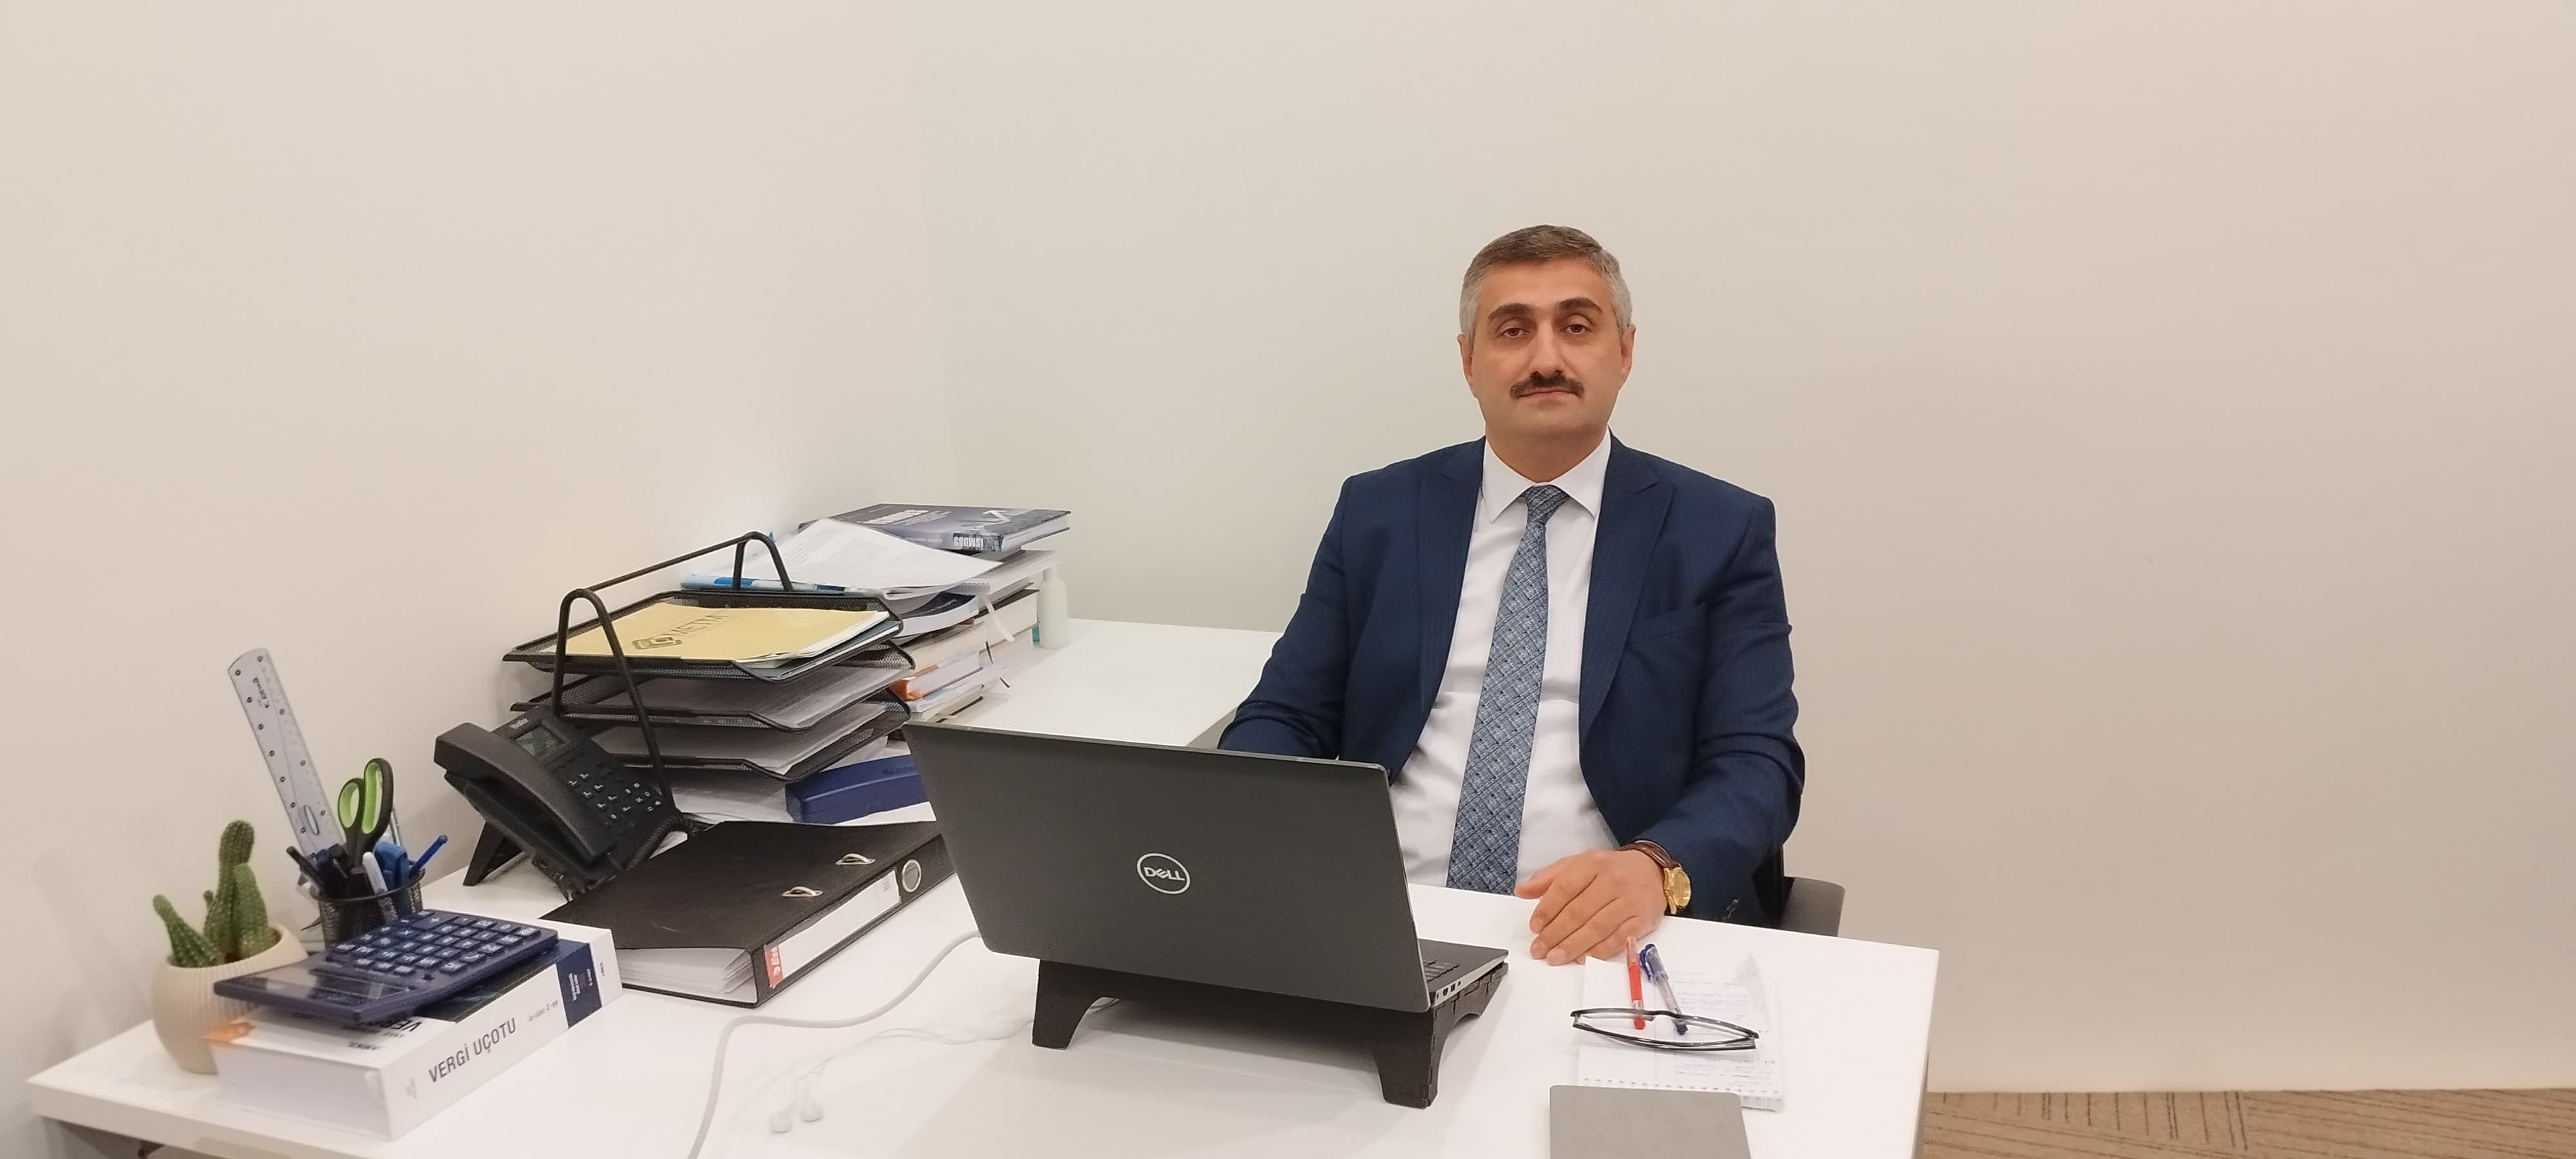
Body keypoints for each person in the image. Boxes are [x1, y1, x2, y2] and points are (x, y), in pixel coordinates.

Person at [1221, 225, 1803, 965]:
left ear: (1624, 351)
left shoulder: (1718, 528)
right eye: (1512, 330)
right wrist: (1281, 845)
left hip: (1603, 928)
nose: (1546, 359)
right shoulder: (1378, 513)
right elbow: (1283, 717)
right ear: (1469, 362)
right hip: (1382, 914)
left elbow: (1756, 760)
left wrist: (1654, 867)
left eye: (1576, 327)